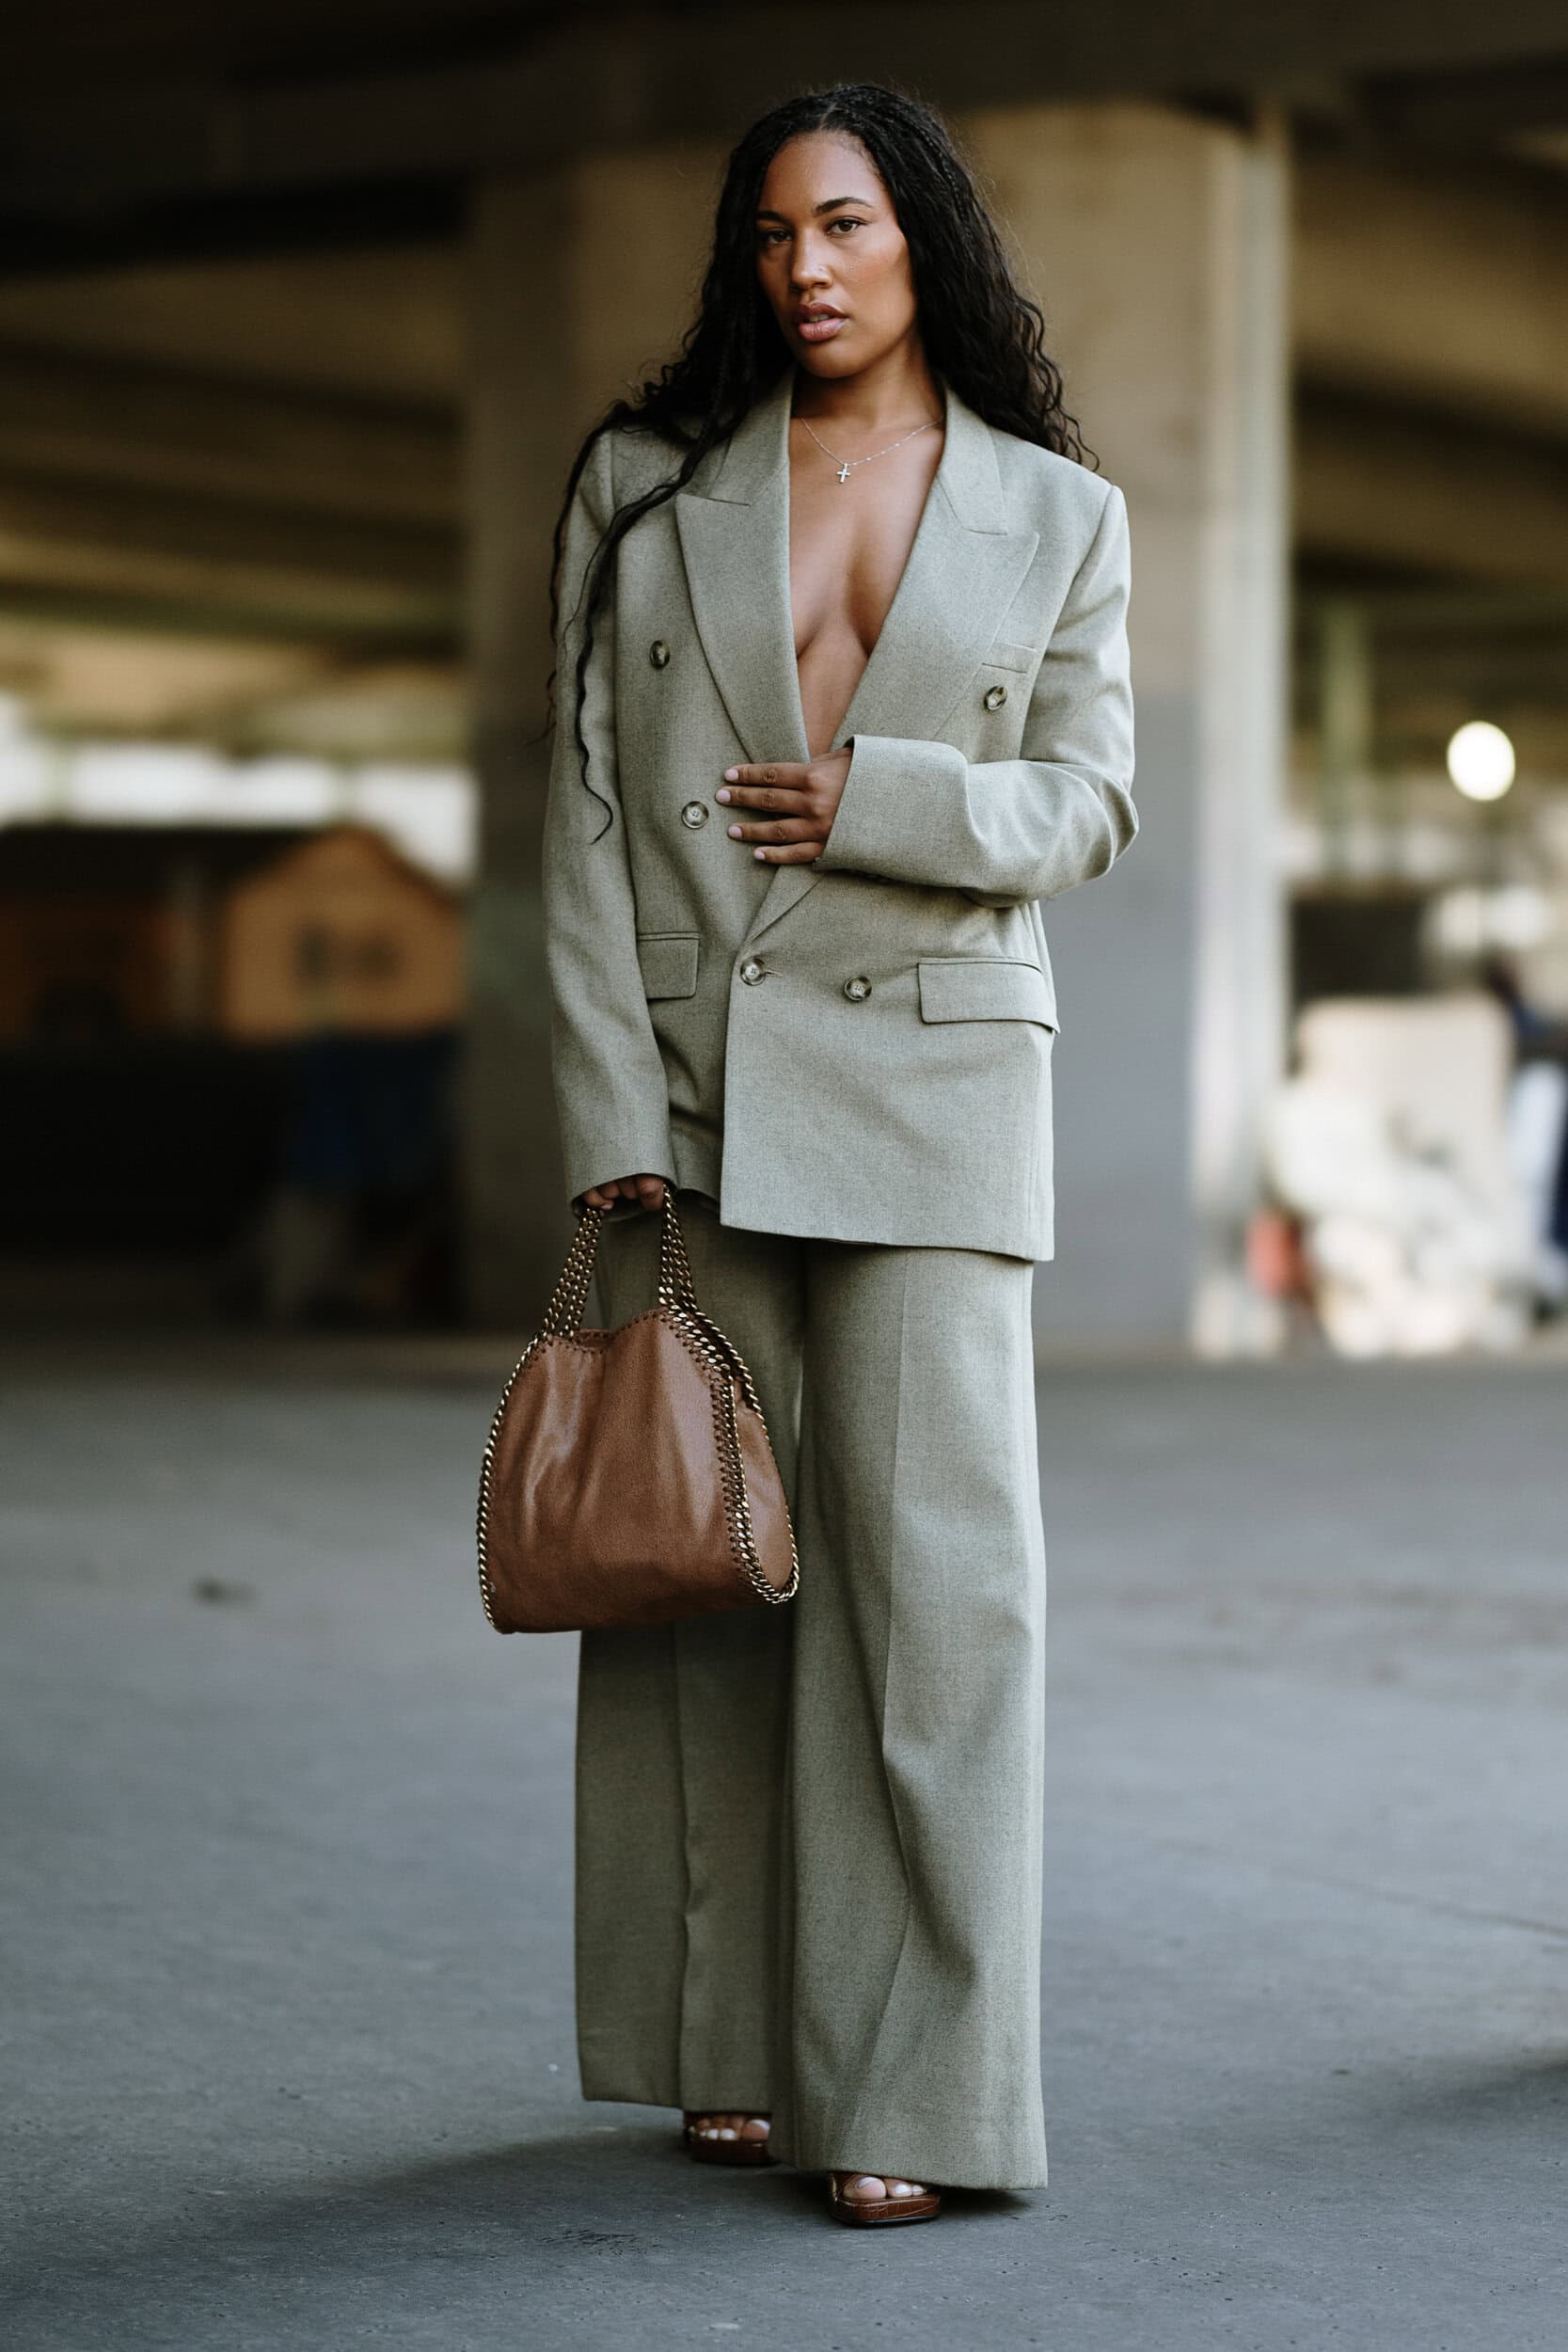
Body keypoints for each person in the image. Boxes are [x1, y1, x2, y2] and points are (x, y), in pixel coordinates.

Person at [542, 82, 1135, 2228]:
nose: (807, 266)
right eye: (775, 232)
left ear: (925, 242)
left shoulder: (1061, 513)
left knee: (943, 1613)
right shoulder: (640, 491)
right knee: (708, 1575)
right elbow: (589, 829)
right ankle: (723, 2042)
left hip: (943, 1094)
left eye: (849, 225)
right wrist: (613, 1125)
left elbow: (1086, 802)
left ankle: (915, 2088)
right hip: (695, 1102)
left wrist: (893, 799)